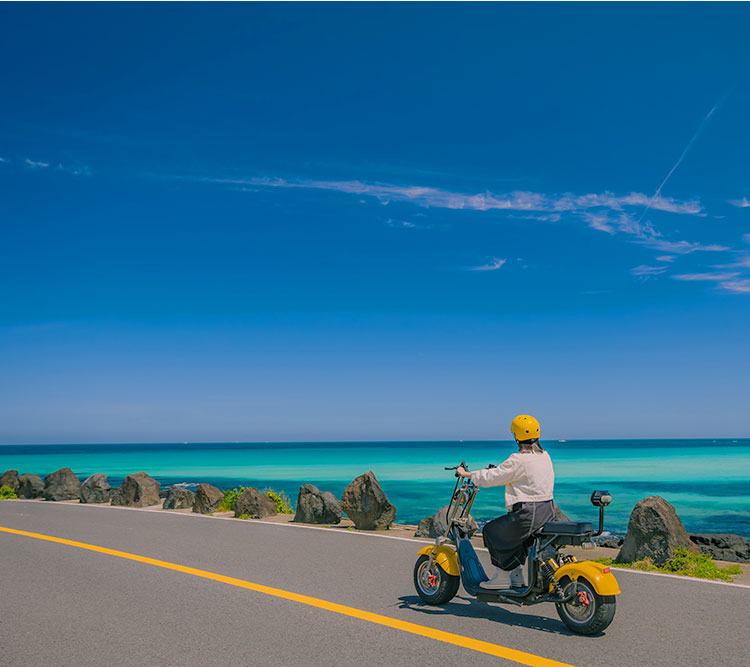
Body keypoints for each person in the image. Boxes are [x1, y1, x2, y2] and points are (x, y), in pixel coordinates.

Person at [456, 414, 555, 589]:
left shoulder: (519, 459)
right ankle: (516, 576)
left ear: (517, 437)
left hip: (527, 513)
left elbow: (494, 476)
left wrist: (467, 474)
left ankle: (502, 577)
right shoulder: (544, 456)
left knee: (492, 531)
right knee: (518, 538)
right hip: (547, 510)